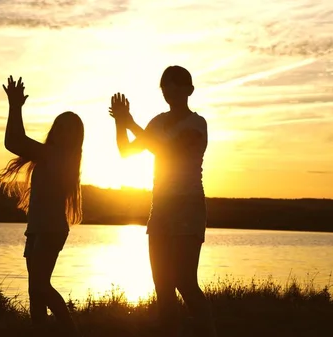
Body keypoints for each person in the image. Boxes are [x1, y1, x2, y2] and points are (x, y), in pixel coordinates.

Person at [109, 66, 217, 337]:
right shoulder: (157, 122)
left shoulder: (197, 124)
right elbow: (126, 151)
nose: (169, 91)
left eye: (175, 85)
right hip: (161, 207)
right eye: (165, 86)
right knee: (162, 286)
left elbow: (166, 150)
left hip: (188, 206)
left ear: (189, 90)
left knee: (184, 281)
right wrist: (120, 122)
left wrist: (132, 123)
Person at [0, 75, 84, 337]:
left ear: (75, 137)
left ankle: (71, 331)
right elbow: (16, 143)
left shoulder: (57, 156)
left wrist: (15, 106)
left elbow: (14, 141)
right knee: (35, 290)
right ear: (55, 130)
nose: (63, 132)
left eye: (70, 129)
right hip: (38, 229)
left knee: (41, 287)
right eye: (60, 126)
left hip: (49, 230)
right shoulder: (53, 155)